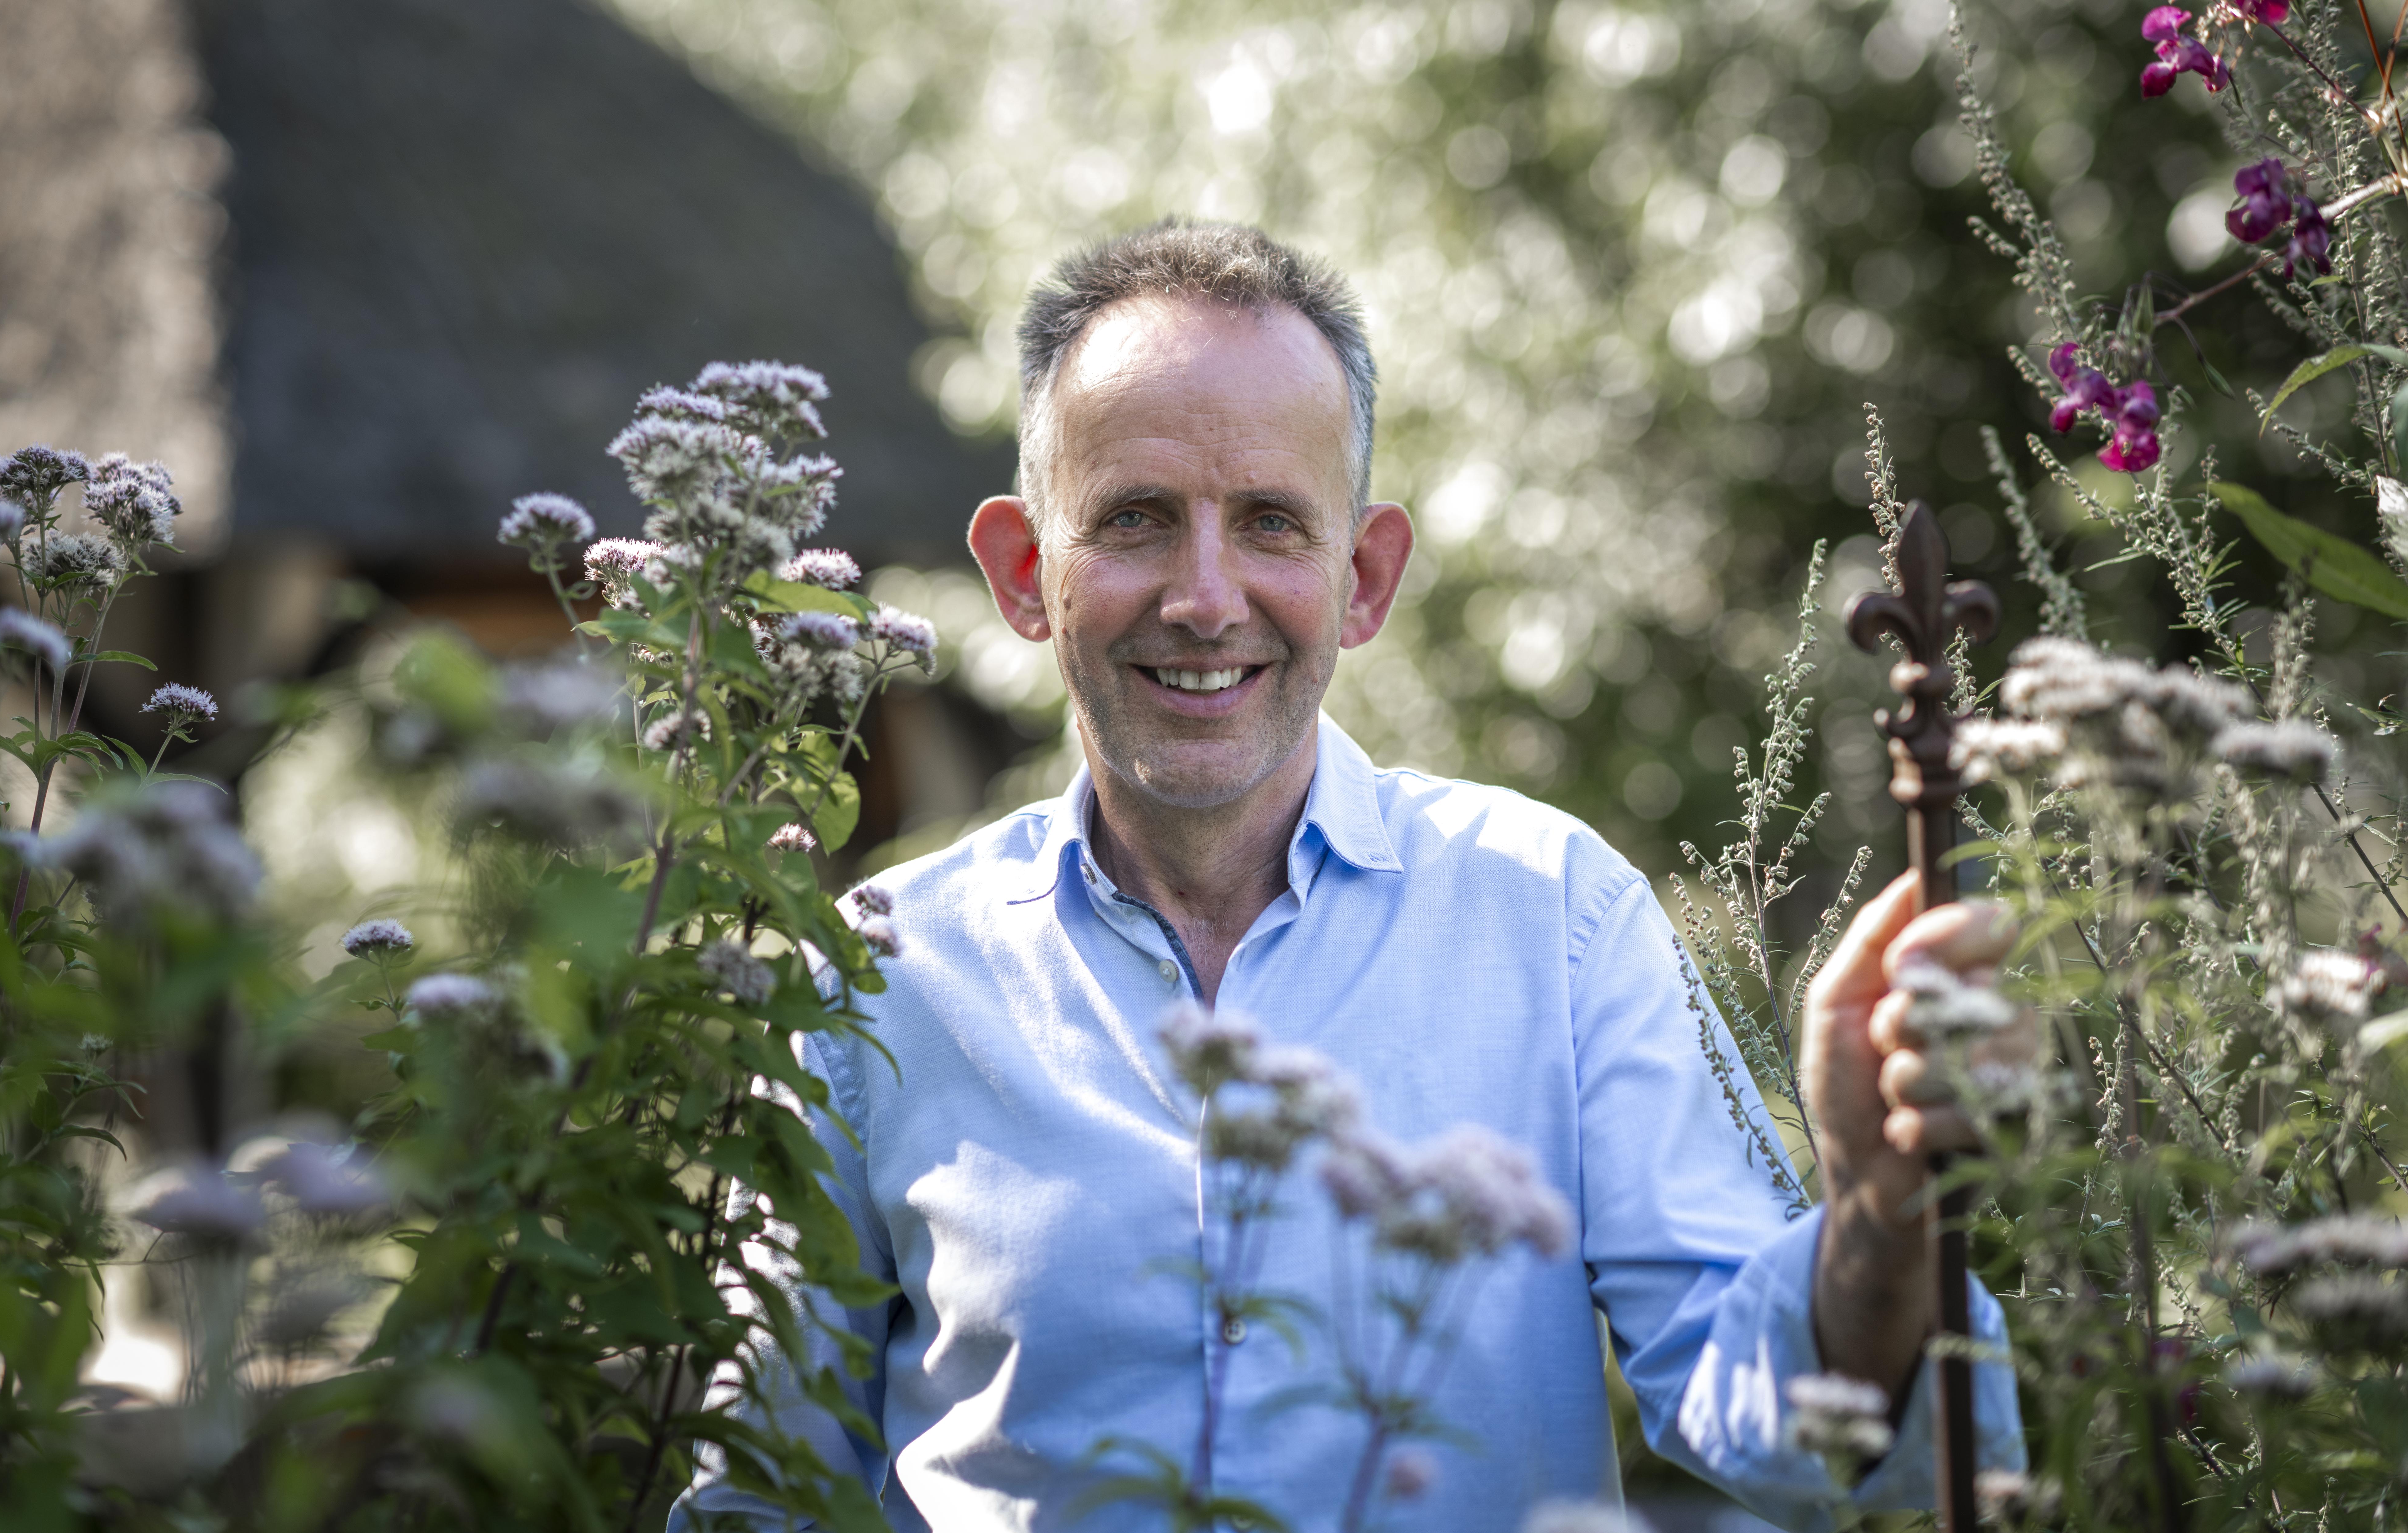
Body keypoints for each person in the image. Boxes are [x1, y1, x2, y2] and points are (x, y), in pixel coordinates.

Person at [672, 221, 2026, 1532]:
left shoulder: (1554, 916)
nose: (1204, 597)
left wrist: (1878, 1212)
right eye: (1135, 520)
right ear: (1025, 574)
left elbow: (1791, 1432)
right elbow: (757, 1491)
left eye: (1269, 522)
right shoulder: (881, 974)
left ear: (1365, 577)